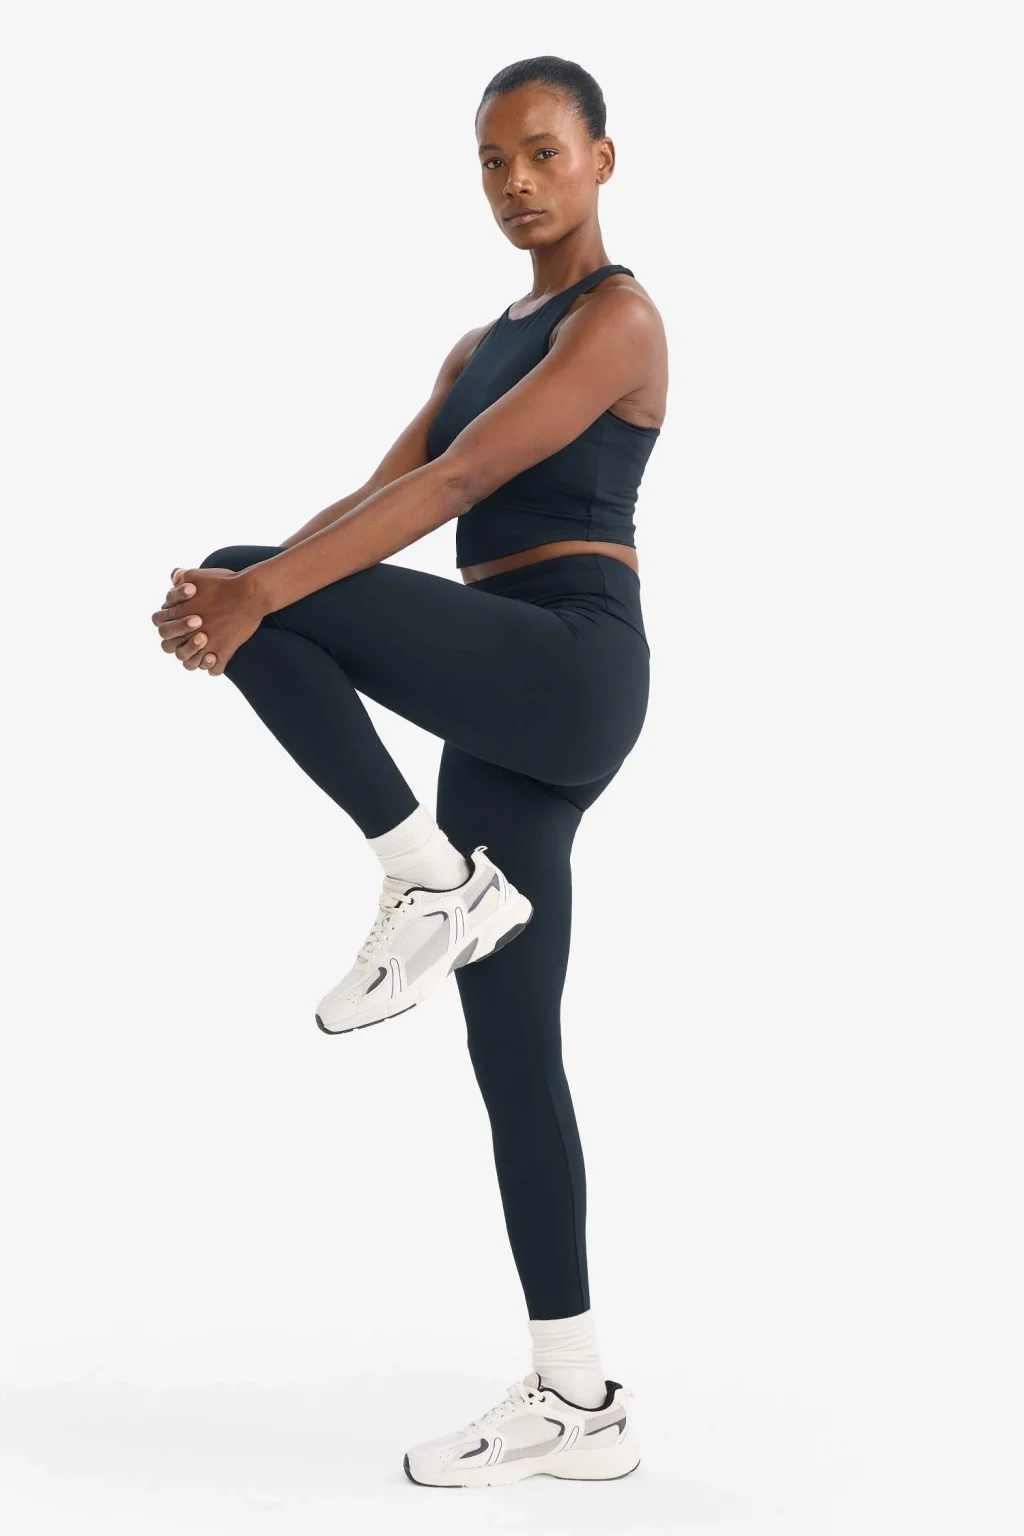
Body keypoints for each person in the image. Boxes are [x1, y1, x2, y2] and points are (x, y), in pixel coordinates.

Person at [150, 54, 667, 1488]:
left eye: (544, 152)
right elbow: (383, 495)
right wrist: (225, 601)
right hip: (497, 691)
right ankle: (579, 1398)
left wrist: (256, 590)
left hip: (570, 663)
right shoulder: (475, 344)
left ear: (603, 160)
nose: (518, 181)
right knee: (513, 1049)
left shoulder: (620, 318)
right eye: (494, 160)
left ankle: (425, 879)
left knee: (271, 580)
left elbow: (458, 486)